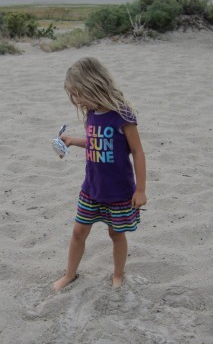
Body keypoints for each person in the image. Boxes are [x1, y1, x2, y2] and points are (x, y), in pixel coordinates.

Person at [53, 57, 147, 292]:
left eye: (78, 94)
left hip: (119, 191)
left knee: (116, 234)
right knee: (78, 232)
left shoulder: (122, 115)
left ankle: (118, 274)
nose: (76, 101)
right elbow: (97, 142)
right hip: (91, 189)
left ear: (93, 86)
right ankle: (69, 274)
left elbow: (137, 151)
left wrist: (141, 189)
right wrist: (73, 141)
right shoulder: (92, 113)